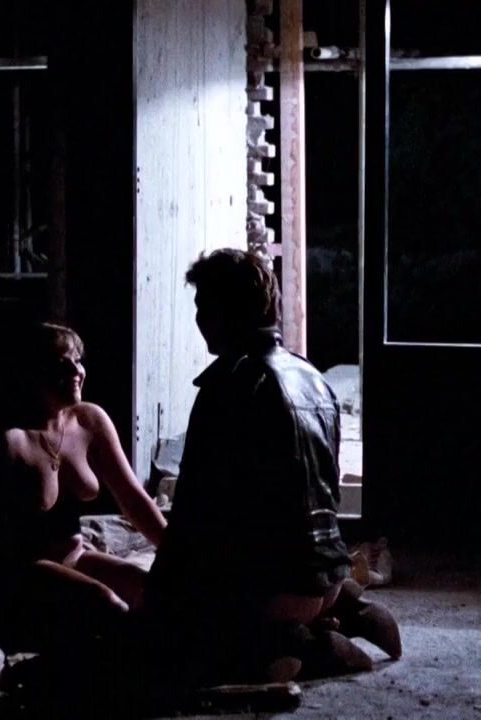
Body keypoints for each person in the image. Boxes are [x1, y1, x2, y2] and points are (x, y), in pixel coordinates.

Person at [142, 248, 401, 683]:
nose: (198, 320)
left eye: (204, 307)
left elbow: (192, 512)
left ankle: (301, 645)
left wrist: (160, 592)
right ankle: (348, 607)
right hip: (329, 573)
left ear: (228, 312)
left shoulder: (229, 383)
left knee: (169, 633)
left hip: (276, 591)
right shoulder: (313, 377)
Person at [0, 322, 167, 649]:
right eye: (61, 363)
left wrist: (178, 553)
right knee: (109, 605)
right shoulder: (9, 441)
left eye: (77, 360)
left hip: (77, 556)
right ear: (31, 373)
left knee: (156, 591)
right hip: (24, 574)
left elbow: (133, 498)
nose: (76, 371)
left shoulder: (89, 421)